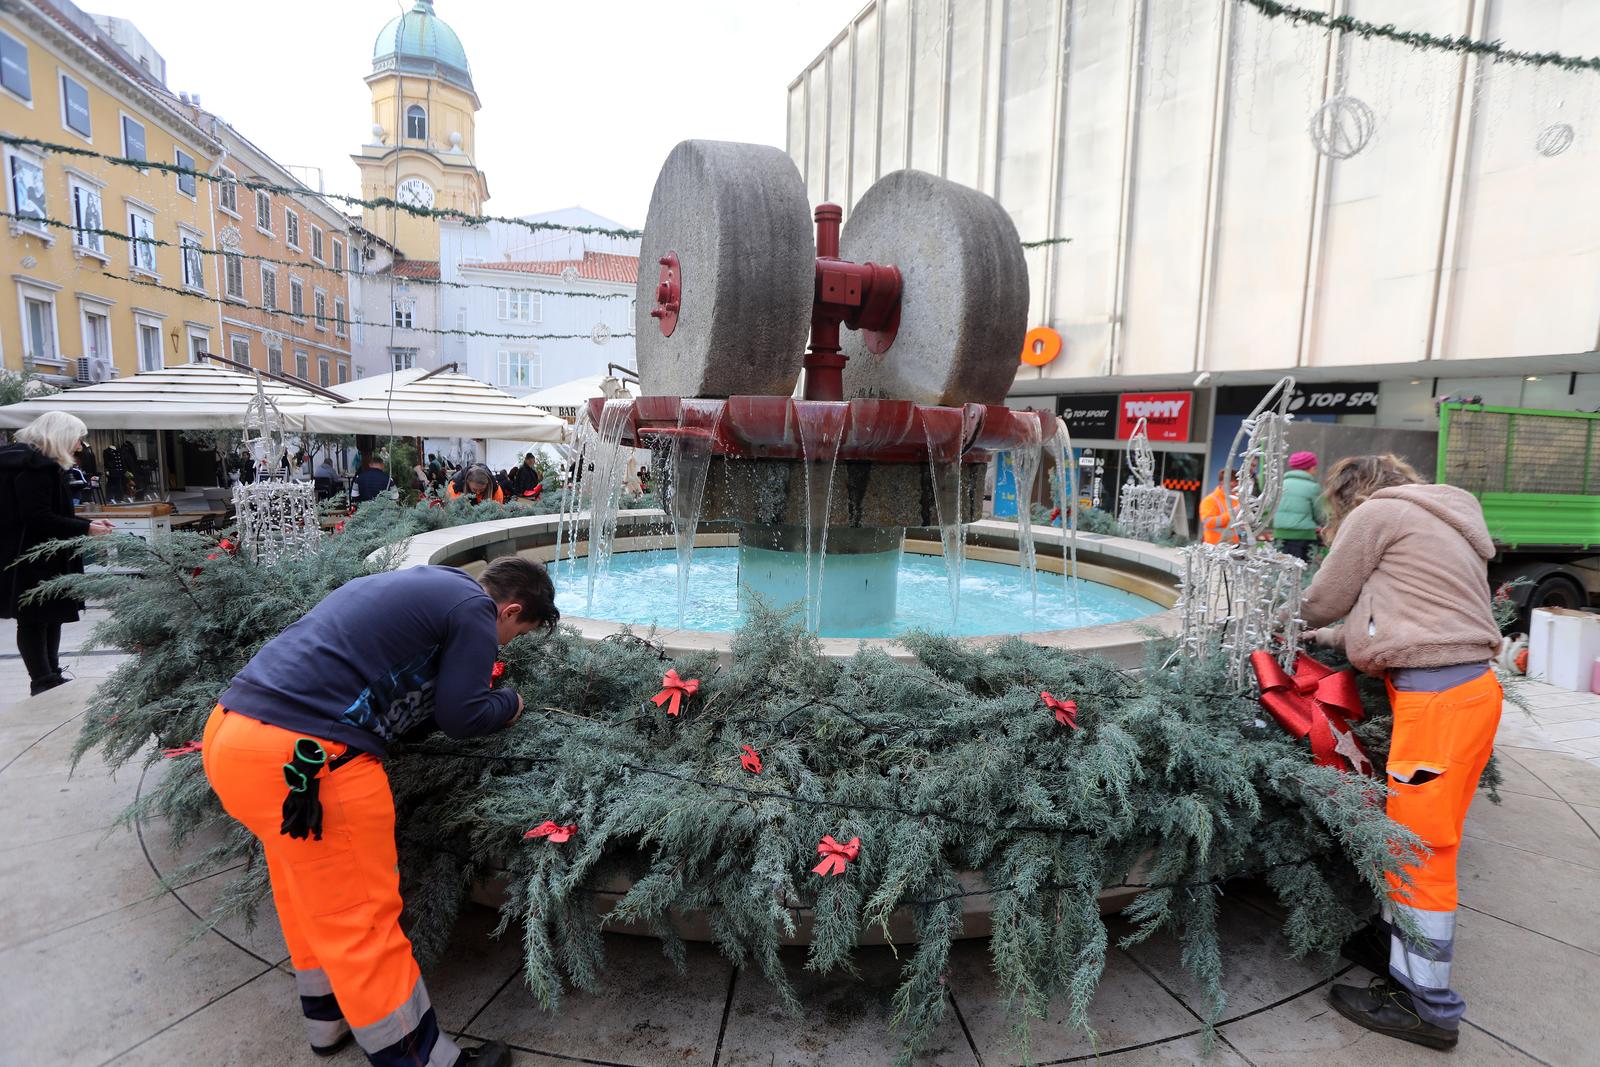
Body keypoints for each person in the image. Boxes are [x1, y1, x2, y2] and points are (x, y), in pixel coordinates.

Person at [202, 557, 558, 1067]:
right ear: (511, 610)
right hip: (309, 761)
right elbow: (463, 714)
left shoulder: (427, 584)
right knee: (363, 921)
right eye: (514, 635)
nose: (501, 645)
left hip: (233, 737)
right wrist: (512, 702)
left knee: (310, 899)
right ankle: (420, 1058)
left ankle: (327, 1021)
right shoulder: (476, 610)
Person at [1300, 455, 1503, 1052]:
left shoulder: (1377, 514)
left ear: (1347, 495)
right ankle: (1392, 942)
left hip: (1438, 703)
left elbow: (1326, 597)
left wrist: (1290, 619)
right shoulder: (1439, 517)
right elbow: (1403, 611)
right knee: (1415, 837)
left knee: (1419, 853)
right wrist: (1335, 639)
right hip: (1466, 694)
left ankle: (1426, 1006)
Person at [0, 413, 116, 695]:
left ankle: (50, 676)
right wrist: (86, 527)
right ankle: (44, 680)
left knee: (49, 615)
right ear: (62, 436)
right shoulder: (35, 468)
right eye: (78, 438)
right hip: (34, 559)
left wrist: (85, 525)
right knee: (35, 619)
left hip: (38, 555)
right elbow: (39, 518)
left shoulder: (36, 465)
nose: (80, 446)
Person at [1273, 451, 1326, 560]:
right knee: (1302, 571)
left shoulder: (1279, 485)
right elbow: (1320, 514)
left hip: (1279, 535)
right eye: (1315, 468)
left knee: (1281, 570)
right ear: (1310, 468)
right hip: (1303, 536)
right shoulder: (1312, 487)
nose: (1315, 471)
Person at [1198, 469, 1241, 546]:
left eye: (1236, 485)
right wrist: (1232, 513)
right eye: (1232, 485)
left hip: (1233, 545)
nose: (1235, 488)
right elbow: (1208, 522)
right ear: (1222, 482)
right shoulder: (1209, 500)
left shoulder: (1236, 499)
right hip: (1214, 546)